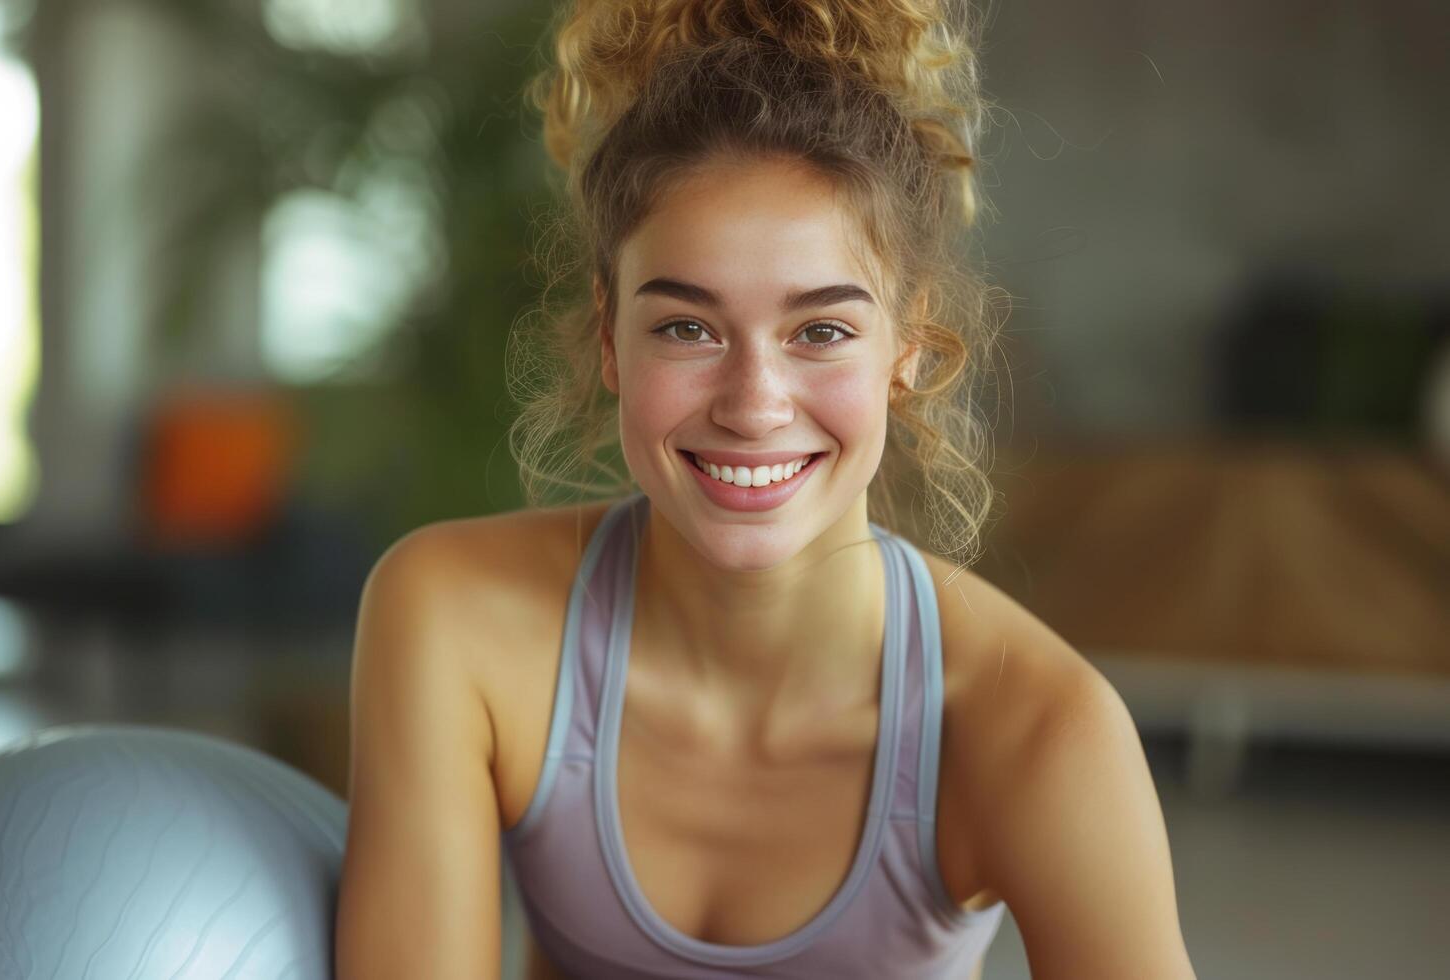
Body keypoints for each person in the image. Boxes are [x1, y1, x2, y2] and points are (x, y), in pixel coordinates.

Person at [336, 1, 1196, 977]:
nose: (754, 403)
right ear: (609, 334)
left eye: (820, 330)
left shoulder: (1037, 726)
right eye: (687, 327)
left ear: (906, 346)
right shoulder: (454, 618)